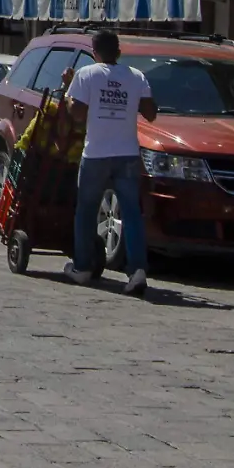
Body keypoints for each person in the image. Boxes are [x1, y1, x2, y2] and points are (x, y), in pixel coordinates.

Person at [62, 29, 158, 297]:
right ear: (119, 52)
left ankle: (82, 267)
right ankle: (137, 270)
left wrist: (69, 92)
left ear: (94, 52)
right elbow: (151, 114)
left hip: (96, 154)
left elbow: (77, 114)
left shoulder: (86, 74)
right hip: (127, 153)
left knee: (86, 210)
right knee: (130, 213)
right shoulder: (136, 76)